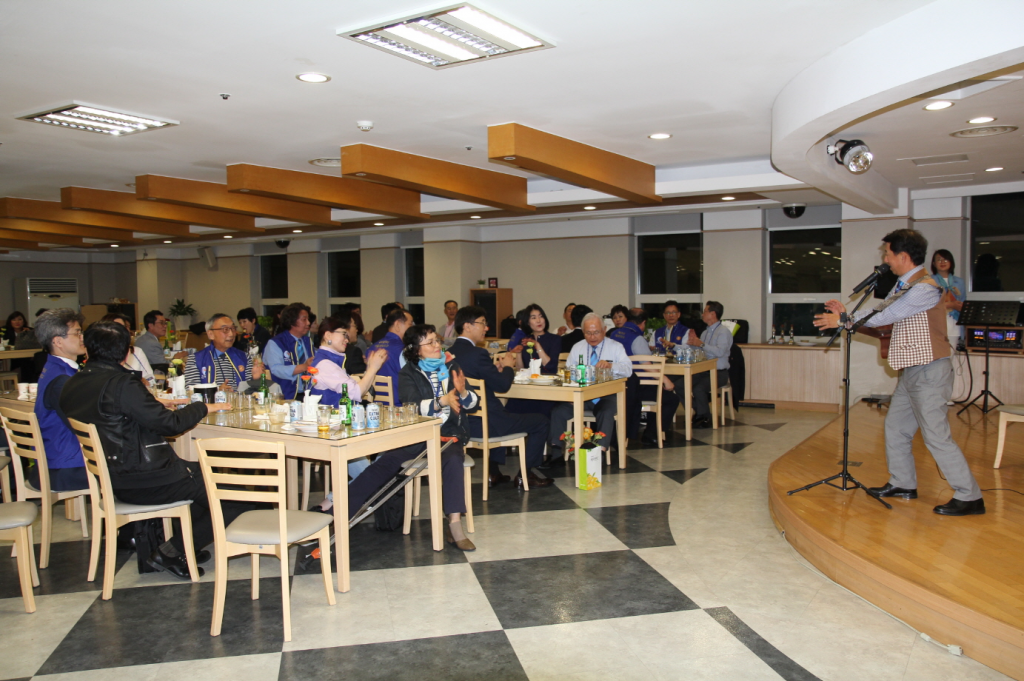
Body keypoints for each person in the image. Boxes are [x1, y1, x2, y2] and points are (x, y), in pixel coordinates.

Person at [814, 228, 984, 516]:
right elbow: (881, 317)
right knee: (896, 428)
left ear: (903, 256)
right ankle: (903, 483)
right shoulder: (904, 286)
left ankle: (970, 496)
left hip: (930, 371)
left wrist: (843, 319)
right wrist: (847, 317)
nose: (885, 259)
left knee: (936, 436)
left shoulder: (925, 288)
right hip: (912, 371)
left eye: (888, 254)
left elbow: (886, 316)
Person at [61, 321, 234, 579]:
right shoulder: (121, 384)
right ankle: (171, 551)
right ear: (126, 352)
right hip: (146, 478)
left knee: (203, 478)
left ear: (87, 349)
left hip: (113, 476)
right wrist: (201, 407)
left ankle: (185, 546)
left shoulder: (73, 384)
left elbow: (113, 419)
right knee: (235, 493)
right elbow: (170, 425)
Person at [448, 306, 553, 489]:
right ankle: (525, 475)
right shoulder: (478, 354)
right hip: (486, 424)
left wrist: (495, 371)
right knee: (541, 421)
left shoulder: (449, 354)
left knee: (505, 412)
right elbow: (503, 386)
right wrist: (508, 367)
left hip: (462, 423)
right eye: (482, 323)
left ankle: (494, 473)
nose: (486, 328)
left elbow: (479, 379)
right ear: (467, 326)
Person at [398, 324, 480, 550]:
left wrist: (463, 392)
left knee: (453, 459)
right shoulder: (408, 373)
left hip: (449, 434)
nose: (437, 346)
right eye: (431, 342)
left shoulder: (451, 365)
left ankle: (455, 525)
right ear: (416, 350)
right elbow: (412, 406)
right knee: (387, 461)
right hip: (419, 436)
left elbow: (473, 404)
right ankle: (340, 506)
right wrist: (441, 401)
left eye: (437, 340)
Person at [550, 313, 632, 462]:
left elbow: (628, 370)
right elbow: (568, 371)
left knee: (605, 412)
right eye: (588, 333)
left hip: (607, 395)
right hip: (582, 396)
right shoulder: (578, 347)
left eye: (596, 332)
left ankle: (600, 454)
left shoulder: (615, 347)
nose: (592, 337)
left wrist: (611, 365)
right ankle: (556, 454)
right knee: (558, 412)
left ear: (604, 330)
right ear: (583, 332)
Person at [31, 309, 89, 492]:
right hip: (65, 469)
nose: (82, 337)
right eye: (77, 333)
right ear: (58, 341)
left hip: (58, 461)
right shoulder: (62, 379)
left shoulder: (54, 368)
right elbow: (83, 424)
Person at [610, 309, 680, 445]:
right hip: (637, 387)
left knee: (659, 393)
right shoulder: (637, 339)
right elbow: (647, 365)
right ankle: (652, 434)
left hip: (618, 385)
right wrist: (665, 380)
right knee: (671, 398)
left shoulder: (614, 334)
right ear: (643, 323)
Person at [681, 302, 732, 429]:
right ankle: (701, 411)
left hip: (719, 373)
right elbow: (700, 351)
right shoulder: (705, 332)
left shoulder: (723, 332)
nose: (702, 314)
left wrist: (701, 344)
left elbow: (720, 352)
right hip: (703, 371)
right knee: (679, 384)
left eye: (705, 312)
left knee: (698, 388)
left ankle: (704, 417)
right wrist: (693, 343)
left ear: (713, 314)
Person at [184, 314, 262, 391]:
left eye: (233, 329)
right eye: (225, 329)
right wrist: (217, 391)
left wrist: (255, 379)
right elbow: (192, 392)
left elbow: (251, 392)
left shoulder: (244, 357)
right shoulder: (195, 360)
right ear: (211, 334)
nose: (231, 334)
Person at [263, 304, 313, 399]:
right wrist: (303, 367)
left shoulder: (307, 341)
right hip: (286, 395)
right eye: (304, 319)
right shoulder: (276, 343)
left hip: (308, 393)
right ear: (292, 321)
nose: (308, 323)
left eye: (308, 319)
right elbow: (276, 369)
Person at [367, 307, 414, 406]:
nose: (412, 328)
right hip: (399, 405)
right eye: (410, 324)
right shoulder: (403, 350)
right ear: (397, 325)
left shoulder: (371, 348)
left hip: (375, 404)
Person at [508, 304, 562, 375]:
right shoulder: (524, 341)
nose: (538, 320)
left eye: (541, 316)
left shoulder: (555, 339)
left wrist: (537, 345)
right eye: (533, 318)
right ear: (528, 322)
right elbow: (520, 370)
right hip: (529, 380)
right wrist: (519, 353)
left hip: (548, 380)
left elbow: (550, 366)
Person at [100, 313, 154, 384]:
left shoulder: (136, 352)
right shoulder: (100, 355)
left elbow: (151, 378)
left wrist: (141, 380)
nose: (123, 331)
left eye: (125, 327)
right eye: (118, 327)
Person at [931, 249, 965, 348]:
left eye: (945, 259)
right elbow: (926, 305)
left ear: (951, 262)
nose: (942, 262)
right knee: (937, 355)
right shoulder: (929, 281)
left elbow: (963, 301)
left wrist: (961, 306)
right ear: (934, 263)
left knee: (951, 355)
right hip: (935, 324)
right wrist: (950, 305)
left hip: (954, 323)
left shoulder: (959, 282)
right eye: (939, 259)